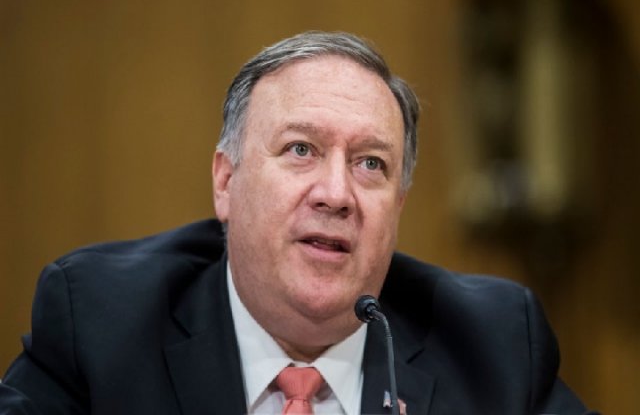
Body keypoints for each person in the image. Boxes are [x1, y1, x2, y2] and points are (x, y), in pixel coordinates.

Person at [0, 31, 595, 414]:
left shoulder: (494, 347)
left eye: (370, 163)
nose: (336, 194)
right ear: (226, 182)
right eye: (301, 150)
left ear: (398, 206)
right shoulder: (102, 324)